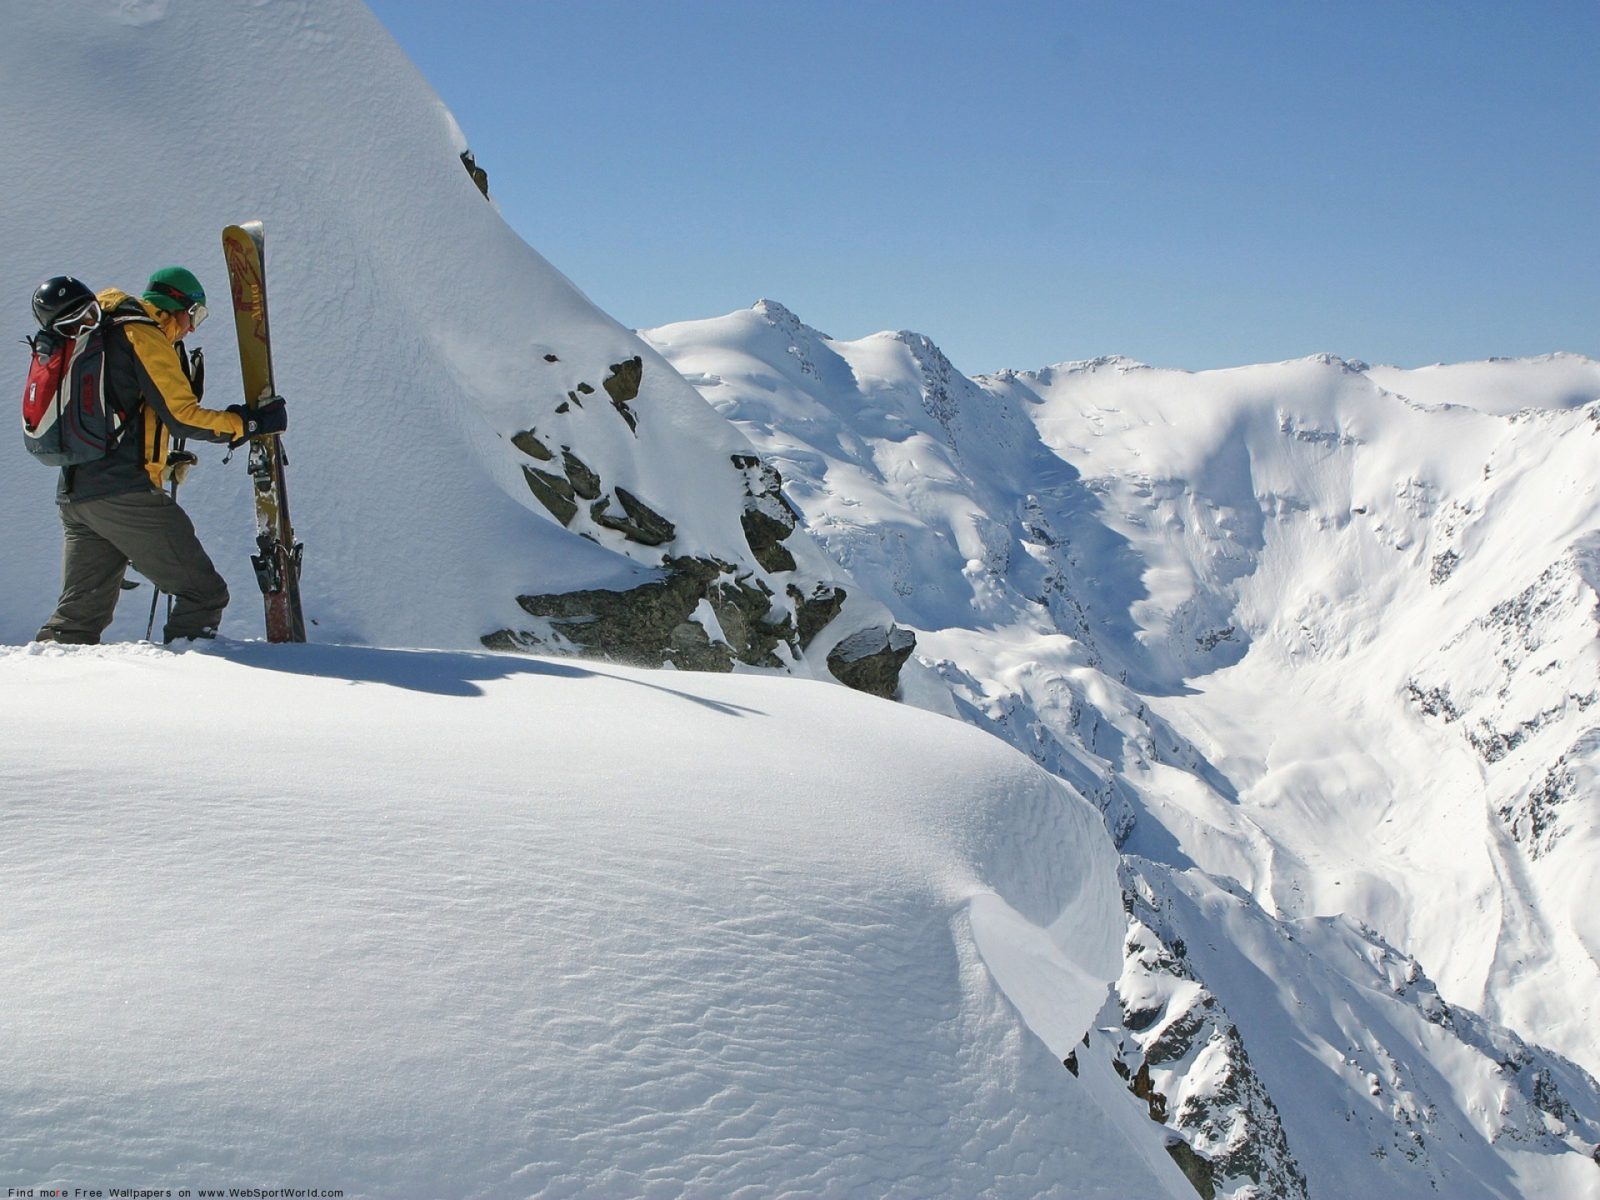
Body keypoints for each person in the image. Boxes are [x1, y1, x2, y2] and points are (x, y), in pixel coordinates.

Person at [33, 267, 288, 644]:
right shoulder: (142, 333)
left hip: (78, 497)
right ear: (176, 307)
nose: (193, 328)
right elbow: (182, 416)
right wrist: (247, 424)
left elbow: (119, 413)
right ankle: (182, 687)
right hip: (123, 495)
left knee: (77, 620)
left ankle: (45, 691)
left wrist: (160, 461)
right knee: (204, 594)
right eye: (196, 314)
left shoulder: (103, 330)